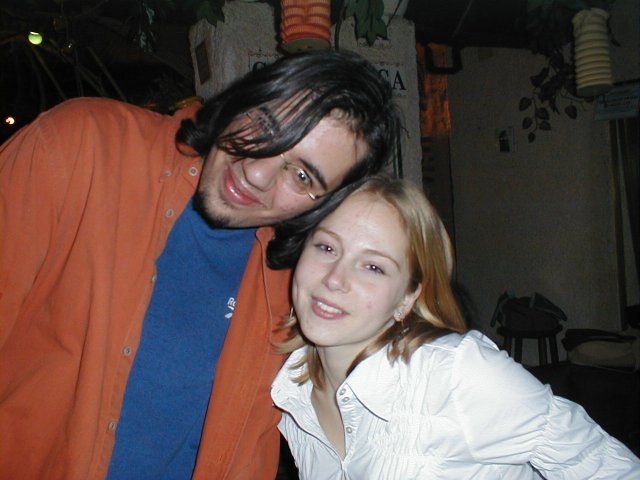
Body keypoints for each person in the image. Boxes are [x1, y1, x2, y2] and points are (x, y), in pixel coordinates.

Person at [0, 50, 401, 479]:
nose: (256, 174)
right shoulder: (83, 146)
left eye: (302, 176)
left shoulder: (305, 284)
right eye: (265, 126)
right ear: (244, 97)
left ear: (324, 206)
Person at [271, 174, 640, 479]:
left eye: (373, 267)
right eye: (326, 247)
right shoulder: (291, 390)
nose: (335, 279)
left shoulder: (455, 376)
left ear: (407, 298)